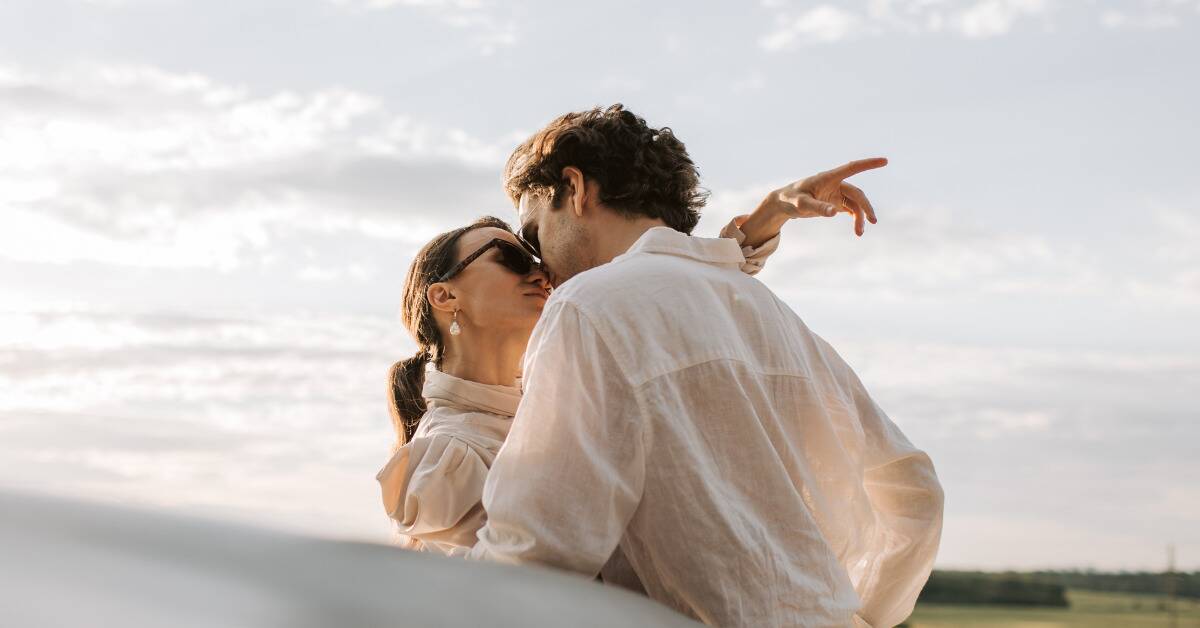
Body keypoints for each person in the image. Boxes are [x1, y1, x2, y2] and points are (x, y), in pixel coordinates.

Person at [465, 105, 945, 628]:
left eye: (534, 234)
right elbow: (916, 497)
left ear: (575, 188)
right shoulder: (778, 318)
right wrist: (864, 617)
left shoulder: (587, 307)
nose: (543, 271)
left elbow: (536, 548)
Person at [378, 194, 792, 553]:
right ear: (444, 296)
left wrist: (764, 220)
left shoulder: (562, 381)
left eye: (536, 260)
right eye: (512, 259)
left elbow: (655, 299)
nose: (539, 274)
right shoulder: (448, 454)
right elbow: (513, 589)